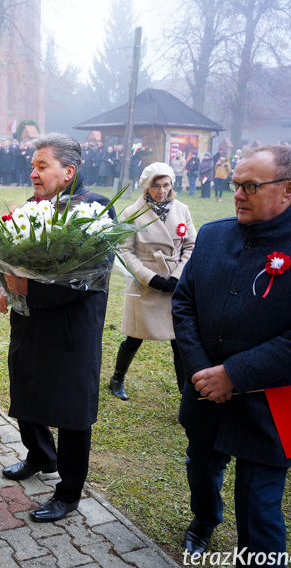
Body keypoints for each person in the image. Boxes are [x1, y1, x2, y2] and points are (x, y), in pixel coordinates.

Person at [172, 145, 291, 568]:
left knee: (260, 509)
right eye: (235, 185)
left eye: (249, 186)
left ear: (290, 190)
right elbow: (183, 304)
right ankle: (204, 520)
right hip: (206, 387)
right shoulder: (212, 233)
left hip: (286, 394)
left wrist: (235, 374)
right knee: (201, 470)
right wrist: (203, 372)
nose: (238, 195)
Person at [0, 133, 115, 523]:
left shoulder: (95, 211)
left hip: (71, 330)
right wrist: (1, 286)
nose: (33, 173)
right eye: (33, 165)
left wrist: (25, 288)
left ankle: (68, 491)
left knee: (70, 410)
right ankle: (40, 455)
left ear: (69, 171)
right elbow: (6, 258)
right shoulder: (31, 207)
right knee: (26, 389)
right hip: (29, 323)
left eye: (41, 166)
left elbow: (88, 277)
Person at [108, 163, 196, 401]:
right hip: (144, 283)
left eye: (166, 185)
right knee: (135, 336)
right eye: (156, 186)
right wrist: (150, 278)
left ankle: (184, 389)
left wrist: (178, 275)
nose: (162, 191)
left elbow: (191, 245)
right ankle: (117, 378)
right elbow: (125, 251)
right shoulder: (131, 213)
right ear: (146, 187)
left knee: (178, 339)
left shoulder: (182, 209)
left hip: (175, 284)